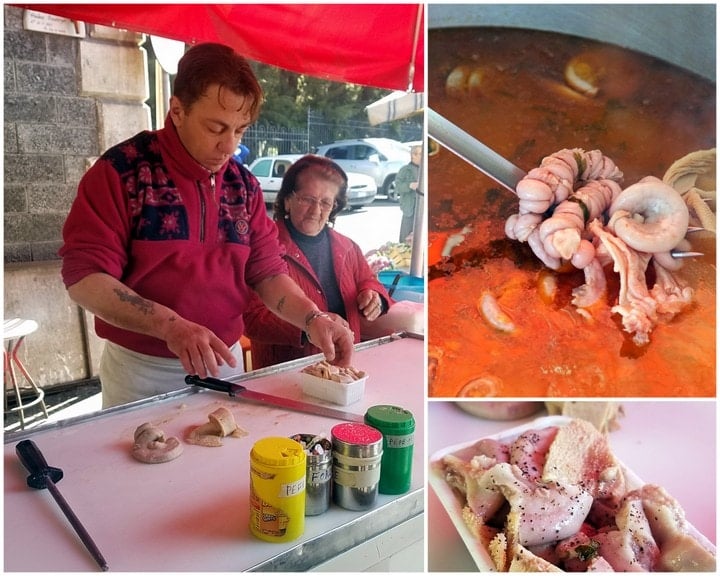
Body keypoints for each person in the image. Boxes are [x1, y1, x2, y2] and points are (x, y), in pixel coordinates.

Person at [59, 43, 353, 408]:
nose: (228, 146)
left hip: (223, 363)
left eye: (240, 131)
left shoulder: (243, 186)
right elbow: (85, 279)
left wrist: (313, 317)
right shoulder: (121, 172)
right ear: (178, 110)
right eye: (216, 127)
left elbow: (266, 273)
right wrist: (169, 325)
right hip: (141, 371)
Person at [243, 155, 393, 369]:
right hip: (285, 374)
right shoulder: (263, 246)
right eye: (307, 199)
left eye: (325, 202)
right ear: (287, 200)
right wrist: (312, 323)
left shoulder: (348, 247)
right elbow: (253, 318)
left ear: (334, 207)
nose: (316, 210)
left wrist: (374, 296)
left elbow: (368, 280)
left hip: (344, 367)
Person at [396, 144, 422, 243]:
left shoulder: (426, 168)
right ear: (413, 155)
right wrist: (409, 185)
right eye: (420, 154)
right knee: (406, 236)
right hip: (409, 208)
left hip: (422, 208)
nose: (422, 156)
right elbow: (397, 187)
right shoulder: (405, 170)